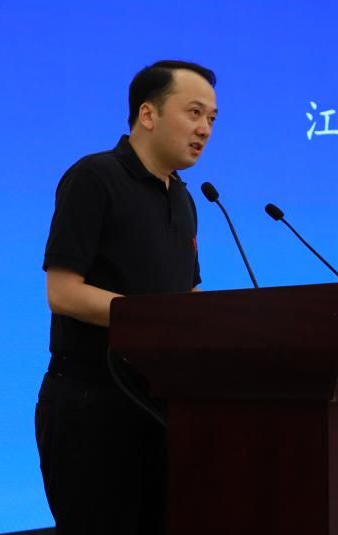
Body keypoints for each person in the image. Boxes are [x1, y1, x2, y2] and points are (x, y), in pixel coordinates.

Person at [34, 60, 217, 534]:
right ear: (148, 114)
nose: (204, 128)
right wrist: (154, 318)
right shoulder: (95, 178)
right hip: (92, 406)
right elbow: (63, 292)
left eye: (211, 118)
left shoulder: (184, 198)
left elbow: (186, 292)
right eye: (194, 112)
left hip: (161, 405)